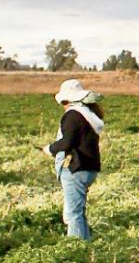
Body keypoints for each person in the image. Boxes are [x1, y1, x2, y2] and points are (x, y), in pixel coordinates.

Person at [43, 79, 104, 240]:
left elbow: (68, 142)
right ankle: (85, 245)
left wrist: (50, 149)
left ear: (66, 100)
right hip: (89, 168)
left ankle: (76, 252)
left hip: (76, 168)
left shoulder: (72, 115)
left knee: (72, 214)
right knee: (79, 212)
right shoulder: (89, 115)